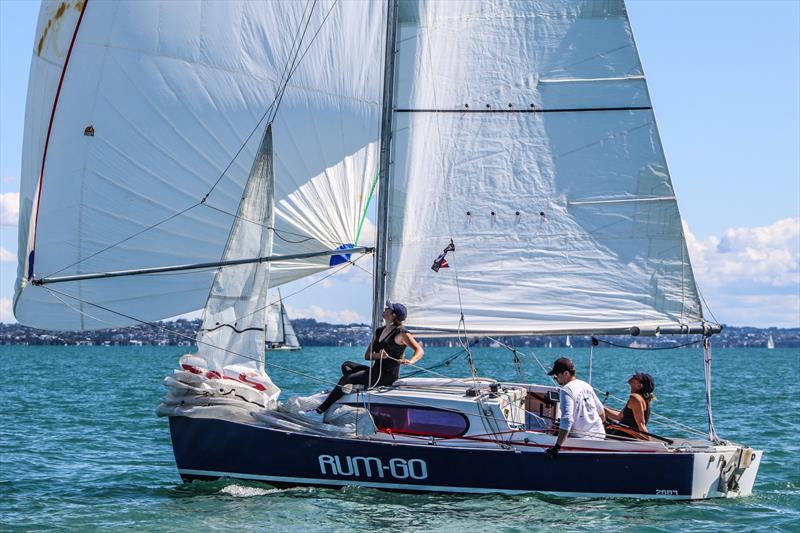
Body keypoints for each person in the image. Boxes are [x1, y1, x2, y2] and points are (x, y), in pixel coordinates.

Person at [314, 301, 424, 414]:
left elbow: (419, 350)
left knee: (347, 379)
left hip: (387, 376)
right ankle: (357, 387)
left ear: (393, 315)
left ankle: (319, 411)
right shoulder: (379, 331)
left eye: (388, 309)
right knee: (346, 365)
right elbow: (367, 356)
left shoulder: (402, 333)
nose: (385, 309)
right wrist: (378, 356)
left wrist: (410, 361)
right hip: (375, 372)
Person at [544, 357, 605, 459]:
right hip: (601, 437)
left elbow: (567, 420)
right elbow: (601, 413)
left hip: (583, 442)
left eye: (557, 375)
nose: (555, 378)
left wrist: (557, 447)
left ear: (566, 374)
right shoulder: (586, 385)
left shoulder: (566, 390)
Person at [604, 372, 655, 440]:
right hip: (621, 434)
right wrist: (601, 408)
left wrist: (651, 444)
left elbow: (641, 425)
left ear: (639, 385)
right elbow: (619, 416)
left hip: (621, 437)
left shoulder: (635, 398)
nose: (633, 376)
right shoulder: (638, 398)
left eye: (635, 377)